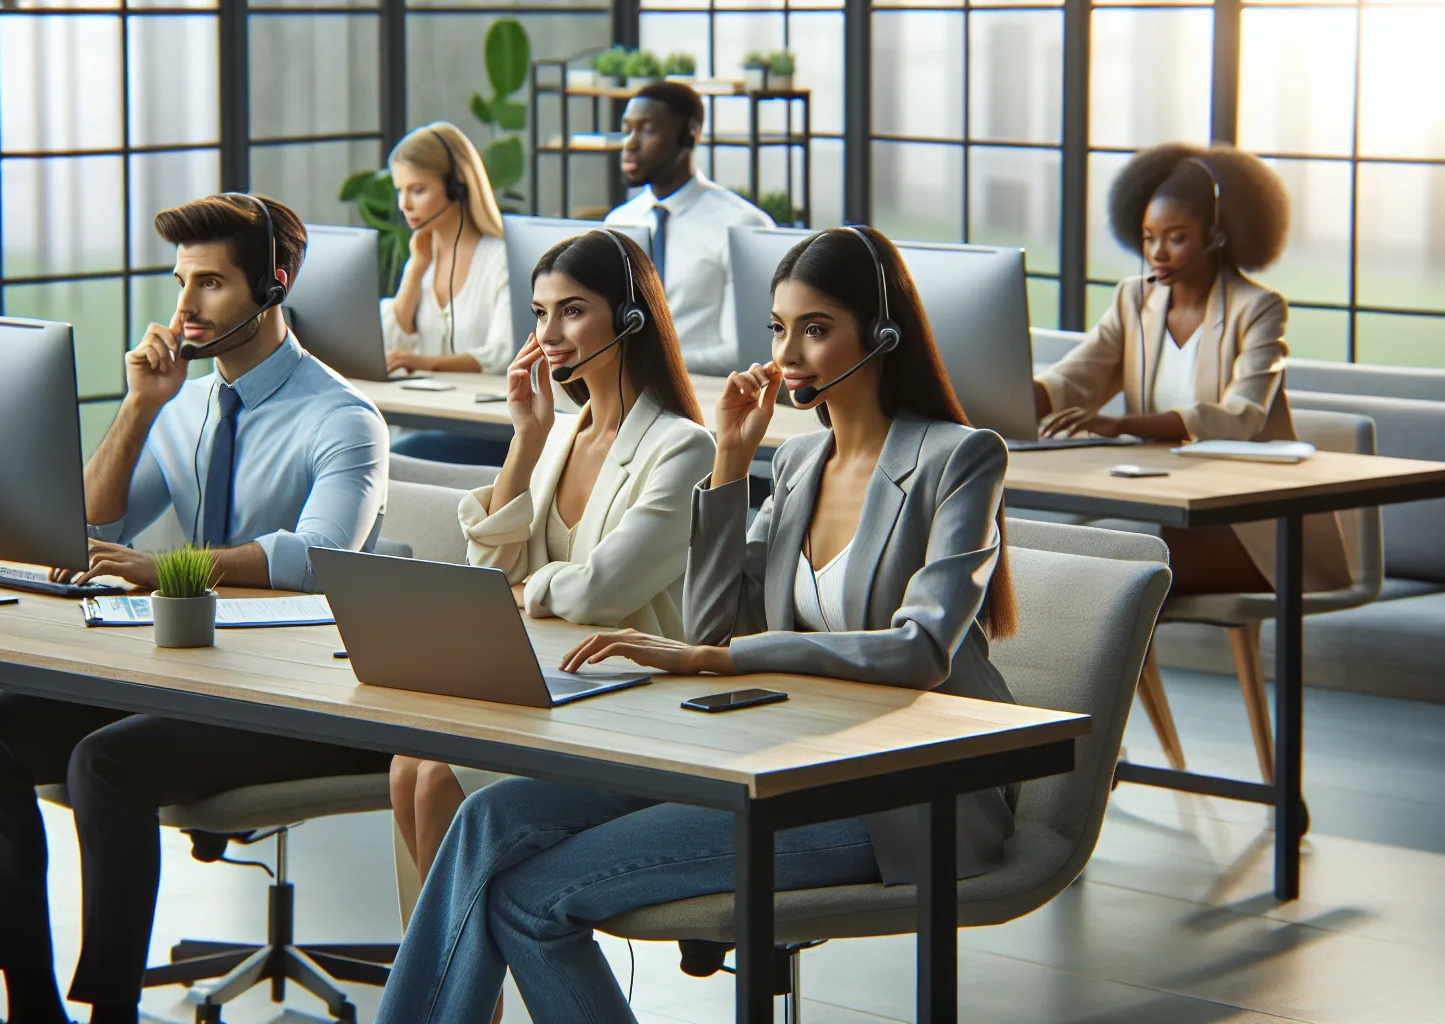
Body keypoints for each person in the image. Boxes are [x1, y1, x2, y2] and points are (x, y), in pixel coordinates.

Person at [372, 226, 1020, 1024]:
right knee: (486, 819)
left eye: (816, 330)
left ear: (882, 336)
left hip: (894, 798)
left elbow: (919, 650)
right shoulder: (797, 465)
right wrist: (732, 464)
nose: (788, 355)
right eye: (779, 329)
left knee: (531, 898)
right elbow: (713, 622)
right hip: (770, 759)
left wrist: (721, 656)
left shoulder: (961, 458)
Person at [0, 194, 395, 1024]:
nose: (184, 308)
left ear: (273, 286)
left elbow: (317, 560)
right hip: (190, 670)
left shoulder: (344, 419)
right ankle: (30, 1005)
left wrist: (167, 568)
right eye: (181, 282)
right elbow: (90, 522)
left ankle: (111, 1009)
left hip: (295, 695)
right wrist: (140, 405)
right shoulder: (185, 403)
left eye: (212, 285)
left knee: (105, 764)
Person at [386, 230, 715, 1005]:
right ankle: (466, 1003)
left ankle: (461, 1010)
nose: (550, 335)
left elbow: (602, 591)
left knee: (440, 785)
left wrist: (524, 588)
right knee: (409, 767)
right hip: (547, 680)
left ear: (630, 320)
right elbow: (489, 572)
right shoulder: (561, 432)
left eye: (573, 311)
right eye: (539, 314)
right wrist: (526, 439)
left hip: (631, 698)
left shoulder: (682, 448)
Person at [1033, 143, 1350, 595]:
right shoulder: (1134, 298)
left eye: (1176, 237)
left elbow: (1242, 417)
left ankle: (1123, 667)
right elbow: (1079, 375)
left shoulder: (1257, 309)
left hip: (1248, 523)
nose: (1157, 253)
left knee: (1119, 581)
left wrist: (1121, 423)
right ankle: (1131, 669)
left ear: (1218, 235)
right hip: (1165, 503)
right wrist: (1015, 396)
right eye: (1148, 237)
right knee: (1076, 567)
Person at [606, 81, 774, 376]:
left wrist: (656, 364)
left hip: (706, 396)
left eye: (647, 130)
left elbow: (747, 351)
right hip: (625, 394)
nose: (630, 144)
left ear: (689, 136)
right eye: (627, 129)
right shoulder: (618, 222)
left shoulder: (740, 225)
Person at [383, 122, 516, 465]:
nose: (405, 205)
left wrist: (425, 364)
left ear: (457, 185)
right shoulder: (423, 258)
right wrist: (415, 269)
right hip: (426, 419)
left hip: (487, 432)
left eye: (417, 190)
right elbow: (394, 341)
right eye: (400, 191)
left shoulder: (502, 258)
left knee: (392, 458)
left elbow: (502, 354)